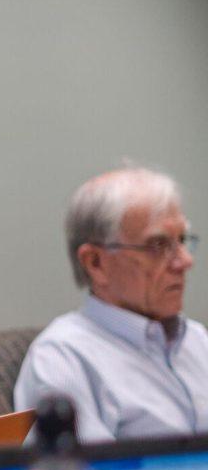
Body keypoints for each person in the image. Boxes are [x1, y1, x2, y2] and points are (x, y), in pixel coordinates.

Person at [15, 166, 208, 443]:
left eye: (182, 241)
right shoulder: (63, 359)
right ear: (96, 263)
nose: (185, 261)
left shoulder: (197, 340)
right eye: (158, 245)